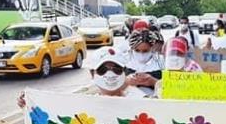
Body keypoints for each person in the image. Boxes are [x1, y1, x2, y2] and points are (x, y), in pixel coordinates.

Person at [16, 47, 144, 109]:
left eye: (116, 69)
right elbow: (54, 114)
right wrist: (30, 104)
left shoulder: (141, 100)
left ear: (124, 72)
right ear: (92, 74)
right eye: (102, 70)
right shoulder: (82, 104)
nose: (110, 74)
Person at [124, 29, 164, 96]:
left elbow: (172, 86)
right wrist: (126, 81)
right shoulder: (124, 60)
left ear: (152, 48)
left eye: (145, 51)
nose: (141, 54)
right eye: (137, 50)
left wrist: (154, 82)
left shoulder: (162, 61)